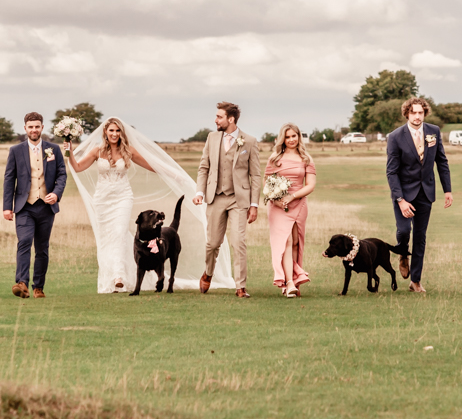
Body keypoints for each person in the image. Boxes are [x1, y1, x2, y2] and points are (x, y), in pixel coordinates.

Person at [67, 117, 237, 294]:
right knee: (107, 239)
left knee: (119, 232)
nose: (115, 134)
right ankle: (111, 277)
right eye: (111, 131)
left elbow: (152, 165)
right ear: (105, 132)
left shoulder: (128, 151)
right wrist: (69, 152)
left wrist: (174, 174)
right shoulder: (97, 151)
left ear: (122, 133)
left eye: (118, 131)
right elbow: (77, 167)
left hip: (122, 198)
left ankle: (119, 276)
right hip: (102, 200)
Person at [194, 102, 262, 298]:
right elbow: (203, 168)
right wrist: (200, 192)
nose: (215, 120)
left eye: (219, 117)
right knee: (213, 244)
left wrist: (254, 204)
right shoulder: (212, 138)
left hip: (239, 200)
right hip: (215, 197)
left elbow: (255, 175)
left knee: (238, 242)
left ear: (230, 119)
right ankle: (208, 273)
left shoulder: (249, 141)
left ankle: (240, 287)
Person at [385, 97, 452, 293]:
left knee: (420, 237)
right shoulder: (396, 136)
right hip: (404, 194)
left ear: (424, 113)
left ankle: (415, 281)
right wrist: (400, 200)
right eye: (413, 112)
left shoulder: (434, 132)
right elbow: (391, 171)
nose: (417, 116)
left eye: (420, 112)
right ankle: (403, 253)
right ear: (407, 113)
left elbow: (442, 161)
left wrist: (447, 190)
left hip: (426, 193)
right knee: (405, 231)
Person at [2, 112, 67, 299]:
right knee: (24, 242)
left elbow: (62, 174)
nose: (34, 130)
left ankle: (38, 286)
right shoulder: (16, 150)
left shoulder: (53, 149)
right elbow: (9, 179)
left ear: (42, 128)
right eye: (30, 127)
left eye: (37, 126)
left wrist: (56, 193)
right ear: (25, 129)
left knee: (42, 248)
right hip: (24, 206)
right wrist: (7, 207)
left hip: (46, 207)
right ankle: (22, 283)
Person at [264, 123, 316, 298]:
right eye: (288, 137)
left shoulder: (306, 158)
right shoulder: (274, 158)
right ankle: (289, 283)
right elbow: (266, 183)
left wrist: (292, 197)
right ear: (282, 139)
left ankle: (294, 279)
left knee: (295, 242)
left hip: (298, 203)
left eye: (294, 136)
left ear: (299, 137)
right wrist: (276, 199)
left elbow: (311, 185)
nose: (292, 139)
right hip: (278, 207)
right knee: (284, 242)